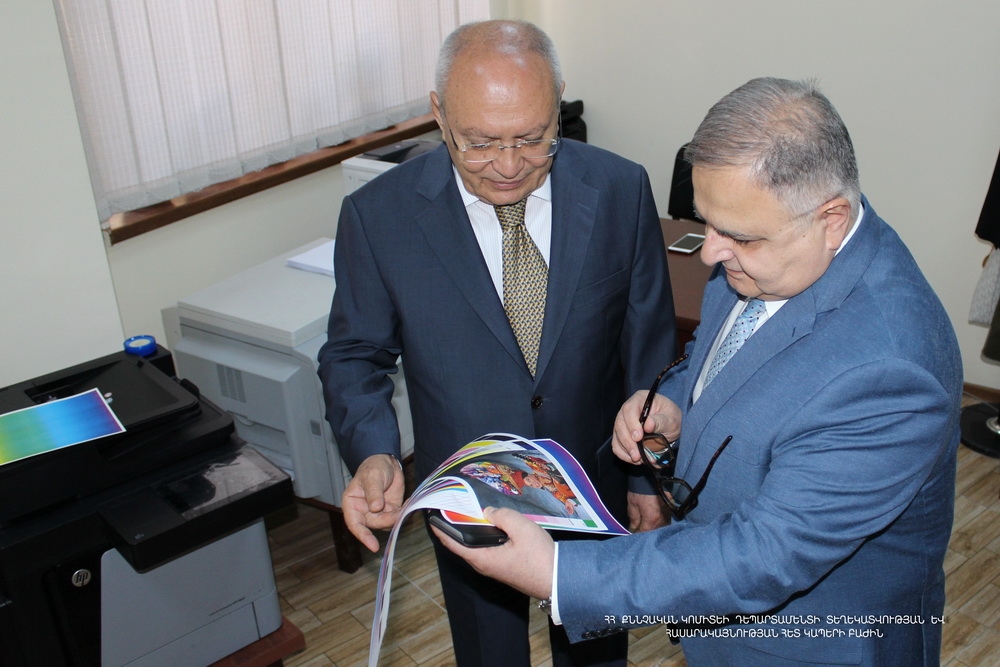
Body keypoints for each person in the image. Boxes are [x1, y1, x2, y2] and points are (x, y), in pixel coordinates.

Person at [434, 77, 963, 667]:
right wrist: (677, 403)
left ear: (832, 219)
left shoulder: (889, 371)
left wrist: (558, 572)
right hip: (720, 629)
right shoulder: (763, 255)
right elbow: (731, 357)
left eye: (737, 236)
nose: (710, 251)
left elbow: (764, 555)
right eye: (706, 222)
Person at [316, 19, 676, 667]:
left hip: (592, 482)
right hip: (468, 494)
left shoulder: (620, 189)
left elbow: (646, 344)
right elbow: (353, 354)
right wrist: (373, 451)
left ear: (559, 104)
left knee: (596, 652)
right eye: (479, 143)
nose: (508, 167)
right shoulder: (379, 217)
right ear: (438, 113)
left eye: (533, 139)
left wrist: (646, 477)